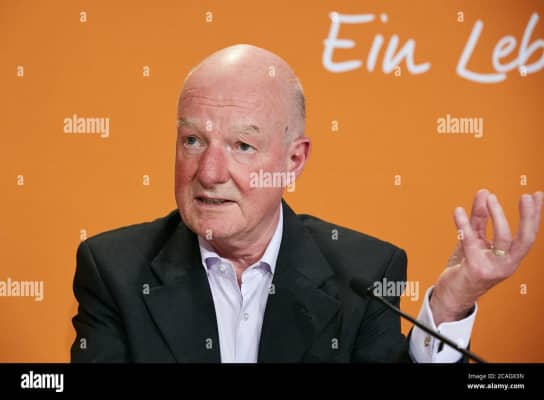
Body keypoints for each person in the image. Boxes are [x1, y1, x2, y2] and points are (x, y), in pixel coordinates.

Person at [70, 44, 543, 363]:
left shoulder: (365, 273)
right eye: (192, 140)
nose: (209, 173)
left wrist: (451, 306)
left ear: (293, 161)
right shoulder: (115, 270)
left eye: (243, 146)